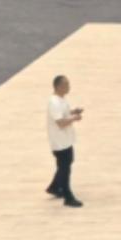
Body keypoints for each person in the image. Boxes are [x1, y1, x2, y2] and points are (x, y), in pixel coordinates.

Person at [44, 75, 82, 208]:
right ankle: (68, 196)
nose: (69, 87)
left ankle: (54, 187)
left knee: (65, 164)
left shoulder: (61, 99)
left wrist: (73, 112)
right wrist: (74, 118)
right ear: (59, 86)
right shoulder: (54, 102)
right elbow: (60, 122)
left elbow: (63, 114)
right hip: (59, 141)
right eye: (66, 85)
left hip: (65, 139)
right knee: (65, 168)